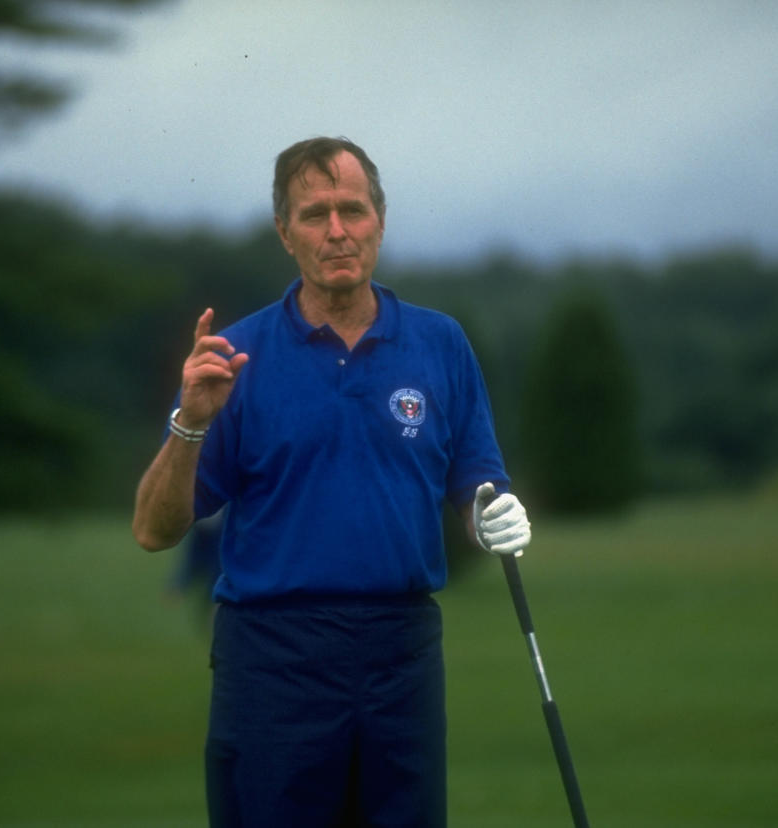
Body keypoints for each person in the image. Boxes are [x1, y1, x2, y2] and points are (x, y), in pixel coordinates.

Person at [130, 136, 532, 827]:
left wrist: (490, 517)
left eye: (353, 209)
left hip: (400, 652)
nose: (337, 231)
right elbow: (154, 530)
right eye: (315, 215)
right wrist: (191, 422)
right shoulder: (236, 359)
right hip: (273, 657)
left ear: (380, 218)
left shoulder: (440, 345)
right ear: (286, 234)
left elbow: (476, 486)